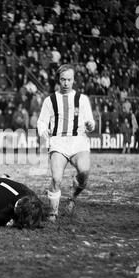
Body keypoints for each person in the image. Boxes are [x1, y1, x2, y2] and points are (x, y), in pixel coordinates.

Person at [37, 64, 95, 222]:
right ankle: (53, 213)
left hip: (78, 141)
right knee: (56, 178)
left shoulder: (82, 99)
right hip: (58, 142)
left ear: (73, 80)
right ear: (58, 80)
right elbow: (41, 122)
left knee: (84, 172)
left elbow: (91, 122)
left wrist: (90, 125)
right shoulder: (50, 100)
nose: (66, 83)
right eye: (63, 79)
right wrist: (44, 131)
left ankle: (72, 197)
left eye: (69, 79)